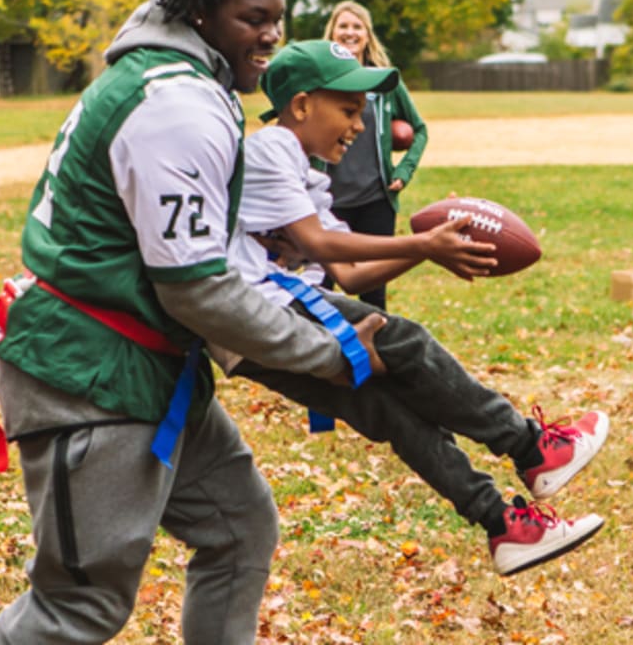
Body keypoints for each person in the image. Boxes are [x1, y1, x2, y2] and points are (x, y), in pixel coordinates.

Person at [0, 0, 390, 644]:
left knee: (236, 529)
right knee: (78, 606)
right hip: (91, 377)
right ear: (197, 12)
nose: (271, 35)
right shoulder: (176, 104)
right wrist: (326, 350)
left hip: (149, 368)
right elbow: (196, 289)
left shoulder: (179, 82)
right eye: (251, 18)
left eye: (277, 17)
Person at [224, 39, 607, 576]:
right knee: (403, 340)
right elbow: (321, 246)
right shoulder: (271, 151)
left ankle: (502, 525)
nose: (359, 126)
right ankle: (530, 446)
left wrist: (430, 252)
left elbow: (353, 274)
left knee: (393, 413)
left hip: (245, 335)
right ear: (303, 105)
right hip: (257, 306)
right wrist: (420, 245)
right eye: (349, 110)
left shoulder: (307, 172)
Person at [321, 0, 428, 310]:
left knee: (374, 294)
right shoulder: (320, 78)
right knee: (321, 287)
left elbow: (419, 130)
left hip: (374, 199)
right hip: (329, 199)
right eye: (343, 26)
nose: (350, 32)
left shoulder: (385, 81)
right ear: (333, 33)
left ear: (368, 35)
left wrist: (403, 171)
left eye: (357, 27)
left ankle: (377, 354)